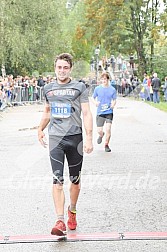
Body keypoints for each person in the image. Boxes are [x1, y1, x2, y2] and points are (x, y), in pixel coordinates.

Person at [38, 53, 93, 236]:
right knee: (57, 179)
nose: (62, 71)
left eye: (65, 67)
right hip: (56, 139)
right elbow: (47, 111)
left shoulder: (79, 87)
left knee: (75, 181)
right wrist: (40, 129)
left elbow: (86, 113)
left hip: (75, 138)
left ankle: (73, 210)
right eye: (59, 67)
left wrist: (90, 137)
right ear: (55, 68)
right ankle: (59, 220)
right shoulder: (48, 88)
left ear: (70, 69)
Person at [92, 72, 117, 152]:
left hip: (109, 112)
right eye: (102, 79)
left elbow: (114, 99)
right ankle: (101, 135)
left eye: (105, 79)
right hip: (100, 112)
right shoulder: (97, 89)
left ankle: (106, 145)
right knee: (99, 130)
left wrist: (113, 104)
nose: (103, 81)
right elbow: (93, 98)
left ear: (108, 79)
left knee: (108, 129)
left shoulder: (112, 89)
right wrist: (95, 103)